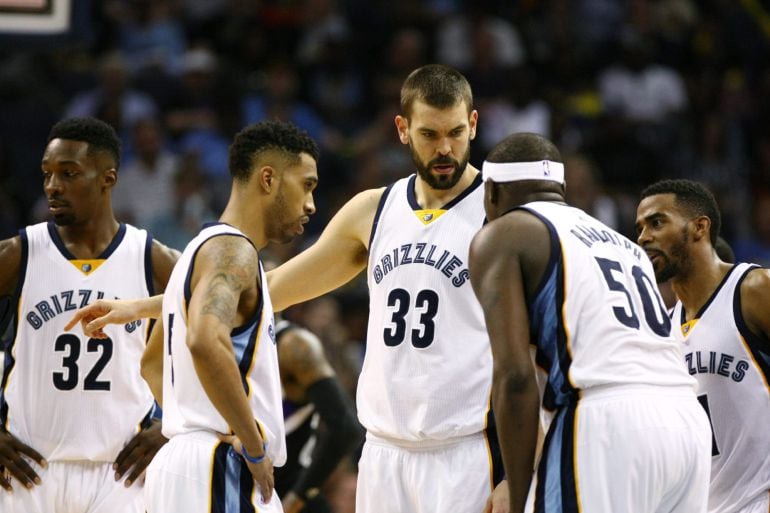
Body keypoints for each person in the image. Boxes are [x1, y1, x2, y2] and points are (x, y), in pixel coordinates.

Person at [65, 64, 508, 512]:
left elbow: (532, 350)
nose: (445, 148)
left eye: (455, 132)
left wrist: (516, 471)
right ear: (402, 130)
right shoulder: (373, 210)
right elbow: (266, 287)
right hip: (384, 451)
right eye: (430, 135)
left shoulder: (501, 213)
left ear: (473, 124)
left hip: (465, 449)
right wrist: (143, 307)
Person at [469, 132, 711, 512]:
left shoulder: (504, 234)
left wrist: (518, 495)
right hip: (686, 422)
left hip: (607, 423)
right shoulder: (626, 246)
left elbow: (514, 378)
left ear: (492, 192)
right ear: (560, 188)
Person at [0, 117, 179, 512]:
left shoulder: (154, 260)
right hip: (28, 467)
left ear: (108, 178)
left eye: (69, 173)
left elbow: (219, 339)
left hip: (120, 472)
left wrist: (172, 427)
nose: (52, 186)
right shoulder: (19, 254)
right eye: (47, 173)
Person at [140, 120, 319, 512]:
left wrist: (194, 419)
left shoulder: (196, 251)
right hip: (220, 467)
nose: (311, 204)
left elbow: (152, 364)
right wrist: (251, 445)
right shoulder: (233, 252)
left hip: (185, 465)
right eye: (306, 185)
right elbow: (205, 340)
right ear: (268, 179)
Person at [636, 179, 770, 513]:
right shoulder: (660, 330)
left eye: (656, 222)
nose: (643, 237)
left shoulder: (753, 289)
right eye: (639, 228)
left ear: (699, 227)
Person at [274, 319, 363, 513]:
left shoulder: (291, 344)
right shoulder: (219, 341)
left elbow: (346, 428)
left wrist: (298, 496)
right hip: (241, 490)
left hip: (287, 493)